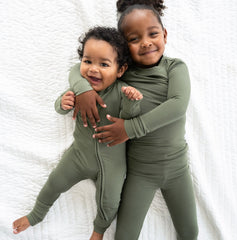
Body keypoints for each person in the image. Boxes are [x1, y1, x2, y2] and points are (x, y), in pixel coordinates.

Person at [67, 1, 199, 239]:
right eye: (134, 38)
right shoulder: (122, 72)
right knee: (125, 236)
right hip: (140, 172)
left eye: (153, 34)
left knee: (190, 232)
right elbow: (79, 68)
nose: (146, 42)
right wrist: (82, 90)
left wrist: (130, 128)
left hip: (177, 168)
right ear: (124, 48)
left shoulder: (174, 68)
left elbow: (178, 105)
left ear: (165, 35)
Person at [12, 26, 143, 240]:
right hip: (79, 156)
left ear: (120, 70)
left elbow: (129, 118)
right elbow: (60, 105)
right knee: (54, 181)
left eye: (104, 64)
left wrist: (132, 100)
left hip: (113, 163)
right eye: (88, 61)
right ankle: (36, 214)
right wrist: (64, 103)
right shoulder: (80, 90)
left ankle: (98, 231)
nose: (93, 69)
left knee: (110, 201)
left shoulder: (121, 91)